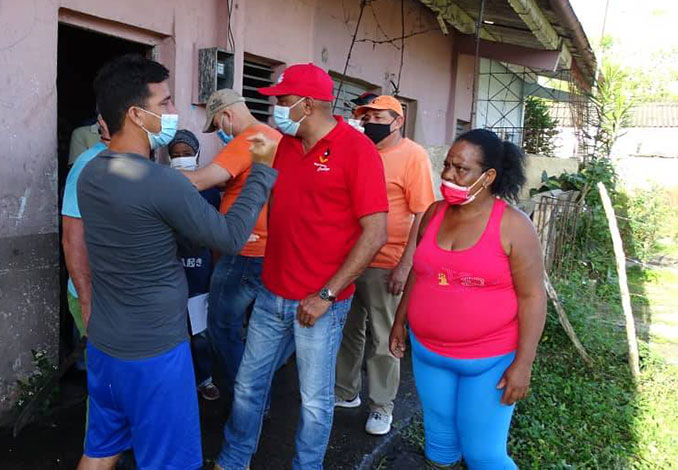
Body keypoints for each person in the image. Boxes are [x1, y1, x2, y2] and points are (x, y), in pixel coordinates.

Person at [75, 54, 277, 470]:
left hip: (106, 347)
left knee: (100, 450)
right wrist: (260, 171)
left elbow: (146, 230)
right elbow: (230, 236)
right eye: (165, 103)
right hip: (154, 356)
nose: (173, 112)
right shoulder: (159, 182)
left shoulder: (91, 173)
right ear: (135, 113)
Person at [215, 63, 389, 470]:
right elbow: (263, 195)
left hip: (320, 305)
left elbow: (375, 233)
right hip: (271, 292)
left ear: (307, 104)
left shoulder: (357, 150)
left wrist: (326, 294)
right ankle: (235, 457)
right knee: (246, 385)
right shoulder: (282, 146)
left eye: (283, 101)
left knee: (313, 401)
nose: (276, 108)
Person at [389, 129, 546, 469]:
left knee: (484, 455)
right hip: (429, 354)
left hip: (488, 362)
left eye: (461, 169)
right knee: (440, 446)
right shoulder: (434, 213)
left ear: (488, 176)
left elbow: (533, 296)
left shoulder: (514, 227)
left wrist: (524, 364)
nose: (447, 174)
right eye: (447, 165)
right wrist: (400, 320)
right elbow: (421, 271)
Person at [335, 95, 435, 436]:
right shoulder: (360, 151)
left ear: (397, 121)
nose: (370, 122)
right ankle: (345, 392)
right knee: (348, 332)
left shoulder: (413, 156)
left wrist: (406, 264)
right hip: (351, 257)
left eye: (378, 116)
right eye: (366, 116)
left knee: (383, 337)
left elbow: (422, 213)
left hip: (387, 261)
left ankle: (381, 406)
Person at [180, 89, 283, 392]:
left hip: (244, 249)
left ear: (226, 114)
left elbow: (199, 181)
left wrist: (150, 176)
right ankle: (256, 392)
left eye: (218, 125)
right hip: (266, 248)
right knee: (259, 330)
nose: (220, 132)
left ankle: (245, 397)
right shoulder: (271, 136)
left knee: (220, 328)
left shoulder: (250, 138)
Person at [169, 129, 222, 401]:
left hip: (200, 273)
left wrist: (215, 271)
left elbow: (215, 236)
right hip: (171, 276)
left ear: (197, 155)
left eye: (186, 154)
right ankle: (179, 382)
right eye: (175, 155)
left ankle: (205, 379)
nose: (180, 159)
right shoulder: (162, 187)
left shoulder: (210, 191)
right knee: (174, 334)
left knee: (200, 333)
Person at [62, 114, 110, 338]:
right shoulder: (88, 165)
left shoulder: (134, 162)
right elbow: (73, 239)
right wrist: (86, 301)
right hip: (96, 295)